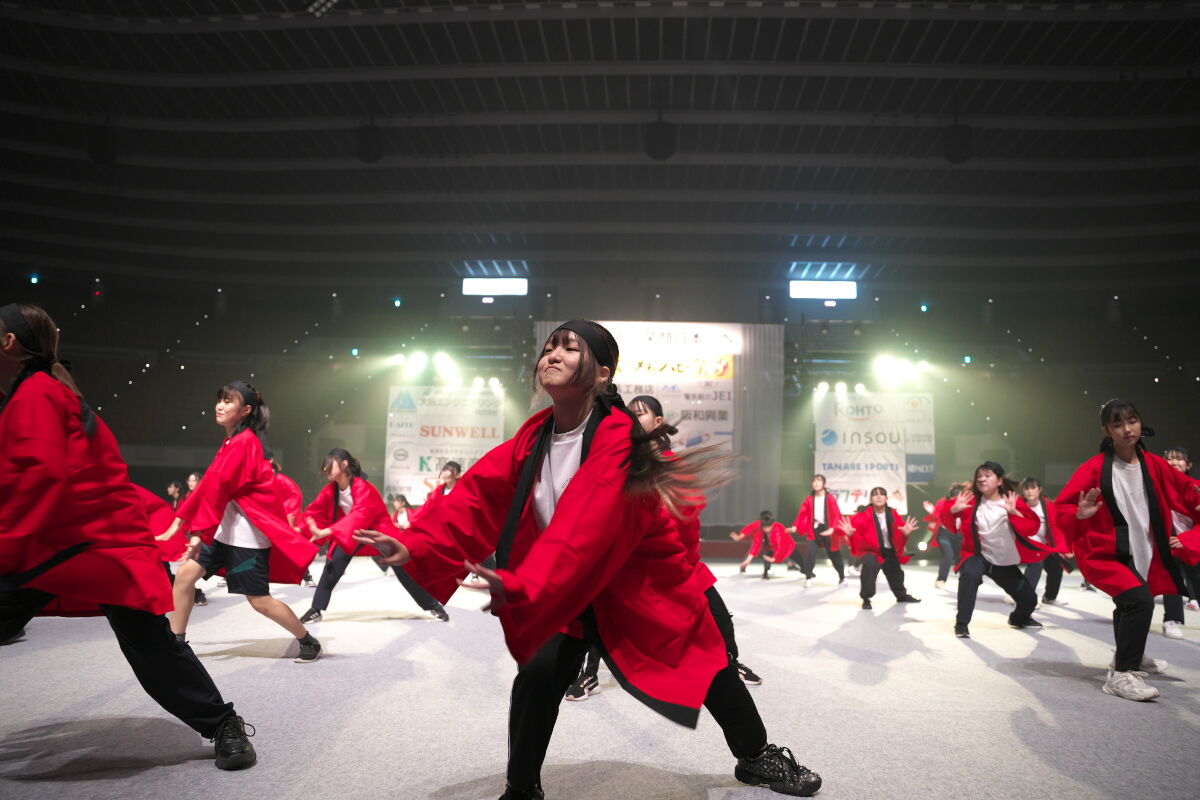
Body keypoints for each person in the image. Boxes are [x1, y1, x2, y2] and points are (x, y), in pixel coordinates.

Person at [355, 320, 820, 799]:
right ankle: (521, 787)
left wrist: (528, 581)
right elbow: (476, 497)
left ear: (601, 373)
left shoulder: (617, 437)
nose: (552, 355)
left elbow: (587, 524)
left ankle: (756, 755)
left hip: (634, 584)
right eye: (549, 347)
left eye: (569, 348)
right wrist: (417, 544)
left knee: (707, 662)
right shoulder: (532, 439)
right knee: (538, 675)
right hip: (564, 584)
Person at [0, 302, 255, 769]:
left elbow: (38, 476)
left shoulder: (37, 392)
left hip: (99, 542)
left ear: (9, 342)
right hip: (61, 540)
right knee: (151, 643)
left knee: (151, 646)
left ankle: (224, 723)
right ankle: (223, 724)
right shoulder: (30, 391)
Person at [565, 395, 763, 701]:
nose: (633, 419)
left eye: (640, 414)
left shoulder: (675, 467)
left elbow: (690, 511)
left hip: (681, 562)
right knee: (600, 619)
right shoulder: (621, 464)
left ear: (658, 422)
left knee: (720, 618)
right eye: (629, 414)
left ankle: (730, 664)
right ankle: (589, 674)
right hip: (631, 565)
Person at [156, 380, 321, 663]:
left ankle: (308, 641)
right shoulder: (232, 441)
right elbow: (209, 484)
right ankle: (177, 644)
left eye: (228, 401)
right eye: (219, 399)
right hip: (224, 533)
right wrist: (179, 521)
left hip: (247, 539)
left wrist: (197, 533)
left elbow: (220, 488)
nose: (219, 406)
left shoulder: (246, 442)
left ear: (245, 410)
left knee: (260, 602)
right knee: (184, 578)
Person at [1055, 400, 1200, 701]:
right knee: (1139, 601)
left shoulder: (1154, 464)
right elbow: (1062, 508)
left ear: (1140, 422)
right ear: (1107, 430)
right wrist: (1079, 514)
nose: (1127, 429)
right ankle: (1122, 673)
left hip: (1143, 548)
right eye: (1118, 424)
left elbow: (1186, 489)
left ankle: (1129, 653)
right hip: (1104, 553)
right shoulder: (1094, 468)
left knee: (1129, 603)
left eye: (1132, 421)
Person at [297, 449, 449, 624]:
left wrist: (328, 531)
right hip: (352, 533)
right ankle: (316, 609)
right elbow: (316, 510)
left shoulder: (362, 487)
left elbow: (360, 514)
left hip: (378, 532)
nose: (325, 469)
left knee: (403, 567)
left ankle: (432, 605)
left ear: (344, 465)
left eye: (329, 465)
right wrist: (300, 528)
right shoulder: (331, 490)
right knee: (332, 565)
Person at [943, 462, 1055, 638]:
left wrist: (1014, 512)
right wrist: (953, 510)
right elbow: (946, 517)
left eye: (987, 475)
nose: (982, 479)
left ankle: (1018, 619)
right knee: (969, 575)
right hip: (978, 556)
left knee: (1029, 599)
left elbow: (1032, 527)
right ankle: (961, 623)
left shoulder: (1011, 500)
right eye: (979, 476)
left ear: (1000, 480)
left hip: (1003, 562)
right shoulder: (971, 500)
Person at [838, 487, 921, 610]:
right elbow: (856, 535)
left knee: (896, 573)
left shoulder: (892, 513)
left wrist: (905, 533)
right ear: (871, 499)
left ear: (886, 498)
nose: (878, 496)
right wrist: (851, 534)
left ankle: (901, 595)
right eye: (875, 495)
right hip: (871, 550)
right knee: (870, 566)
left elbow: (898, 535)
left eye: (882, 494)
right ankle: (866, 598)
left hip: (888, 550)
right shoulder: (863, 515)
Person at [1016, 477, 1073, 608]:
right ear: (1022, 491)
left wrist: (1061, 548)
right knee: (1036, 564)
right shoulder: (1019, 505)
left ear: (1040, 490)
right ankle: (1025, 598)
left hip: (1045, 545)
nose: (1029, 491)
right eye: (1026, 488)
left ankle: (1049, 597)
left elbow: (1057, 527)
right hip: (1025, 544)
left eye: (1033, 488)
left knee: (1056, 566)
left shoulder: (1047, 505)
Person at [787, 475, 847, 587]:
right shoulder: (809, 499)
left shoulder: (830, 498)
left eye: (819, 481)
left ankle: (842, 578)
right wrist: (795, 527)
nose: (816, 483)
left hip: (828, 530)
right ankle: (808, 578)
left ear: (824, 484)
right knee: (811, 555)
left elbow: (836, 514)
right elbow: (802, 515)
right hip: (814, 530)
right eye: (814, 481)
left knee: (835, 556)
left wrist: (832, 529)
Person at [271, 458, 317, 588]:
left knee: (293, 548)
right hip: (274, 516)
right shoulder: (266, 479)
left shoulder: (282, 480)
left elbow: (295, 496)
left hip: (286, 516)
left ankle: (307, 576)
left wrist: (288, 516)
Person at [924, 483, 967, 590]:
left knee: (960, 557)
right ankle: (941, 579)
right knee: (948, 554)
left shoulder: (966, 503)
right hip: (944, 533)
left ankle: (965, 580)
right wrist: (932, 511)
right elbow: (937, 516)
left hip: (958, 535)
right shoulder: (942, 502)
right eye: (953, 498)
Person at [731, 511, 795, 580]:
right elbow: (747, 530)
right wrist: (739, 537)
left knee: (777, 551)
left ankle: (789, 563)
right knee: (757, 550)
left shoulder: (775, 526)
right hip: (759, 540)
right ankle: (745, 566)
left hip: (770, 542)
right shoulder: (757, 525)